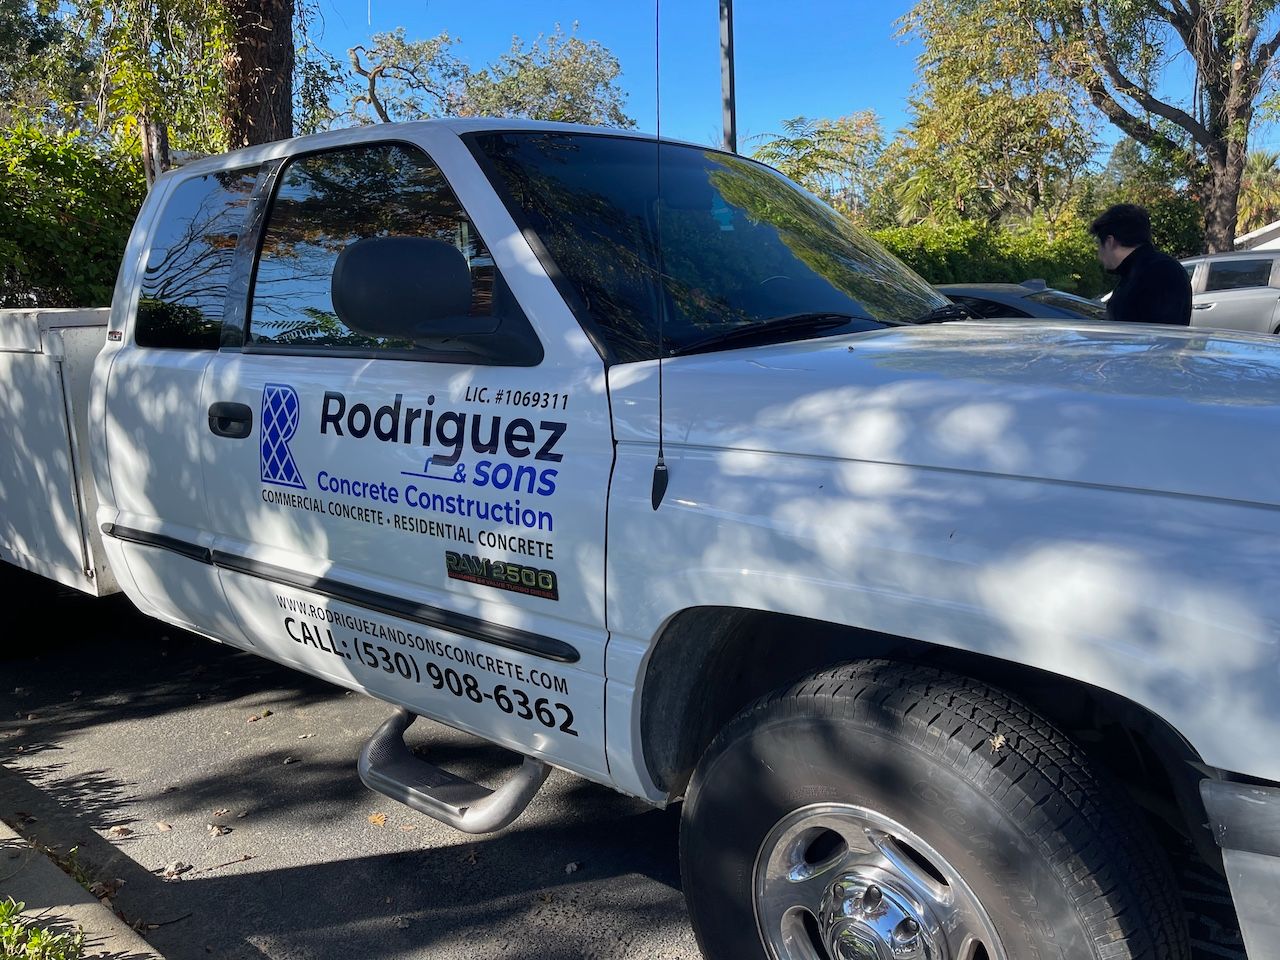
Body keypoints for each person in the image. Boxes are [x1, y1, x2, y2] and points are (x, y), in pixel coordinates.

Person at [1090, 204, 1192, 326]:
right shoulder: (1153, 269)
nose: (1098, 254)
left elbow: (1154, 333)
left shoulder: (1156, 273)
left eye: (1098, 245)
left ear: (1110, 242)